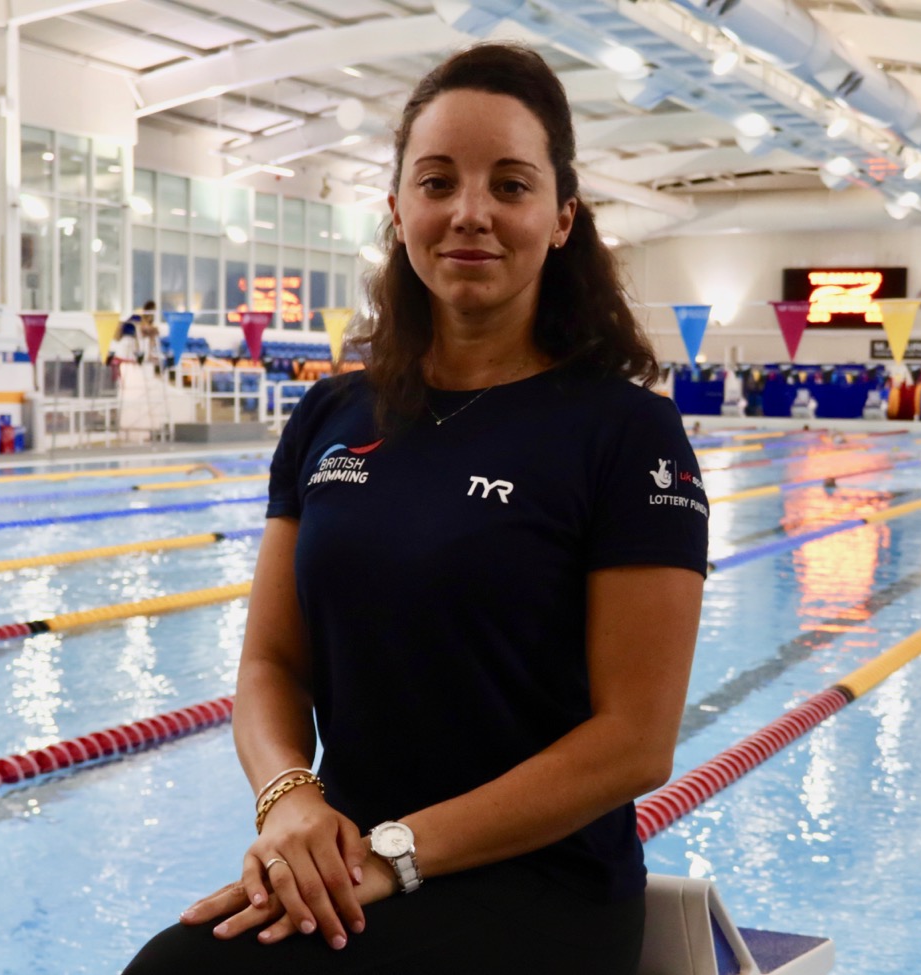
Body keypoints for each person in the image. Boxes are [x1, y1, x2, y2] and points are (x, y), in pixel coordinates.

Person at [124, 43, 708, 975]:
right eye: (437, 182)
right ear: (397, 210)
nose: (469, 212)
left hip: (540, 885)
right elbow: (272, 661)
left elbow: (635, 742)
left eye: (509, 186)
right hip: (347, 861)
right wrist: (291, 801)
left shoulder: (627, 433)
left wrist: (397, 852)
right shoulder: (331, 413)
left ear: (561, 218)